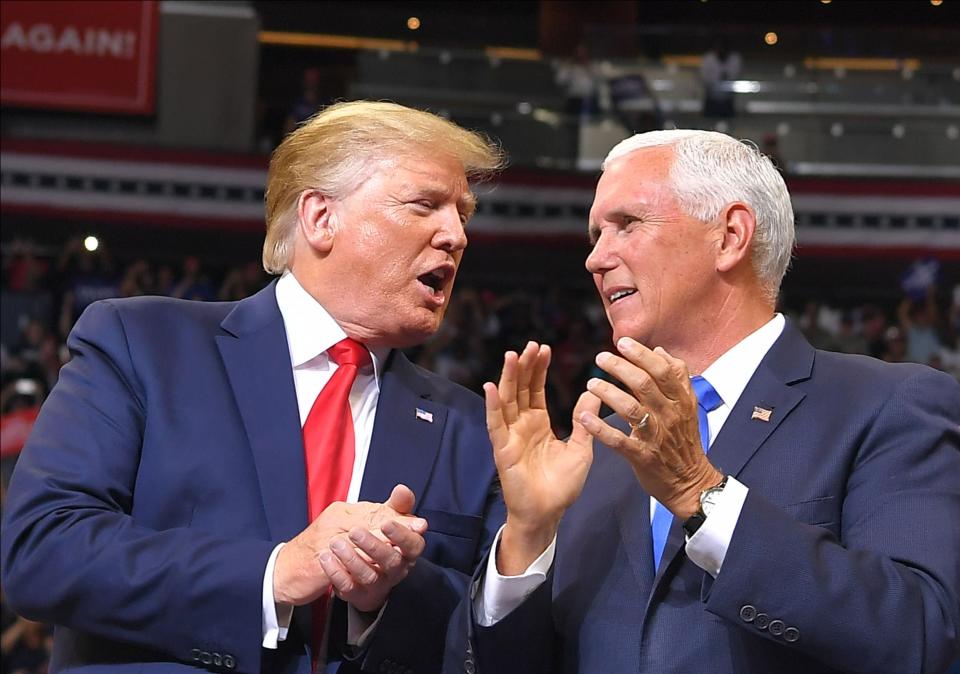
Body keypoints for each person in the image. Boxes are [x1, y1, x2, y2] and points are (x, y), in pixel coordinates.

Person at [1, 101, 507, 674]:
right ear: (320, 217)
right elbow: (43, 550)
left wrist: (385, 598)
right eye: (426, 205)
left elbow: (491, 644)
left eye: (464, 214)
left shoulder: (474, 426)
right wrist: (275, 572)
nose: (457, 235)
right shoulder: (142, 344)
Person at [449, 130, 960, 674]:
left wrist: (701, 493)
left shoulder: (888, 404)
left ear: (730, 236)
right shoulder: (597, 448)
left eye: (626, 225)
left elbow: (921, 635)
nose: (595, 259)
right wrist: (528, 539)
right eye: (596, 235)